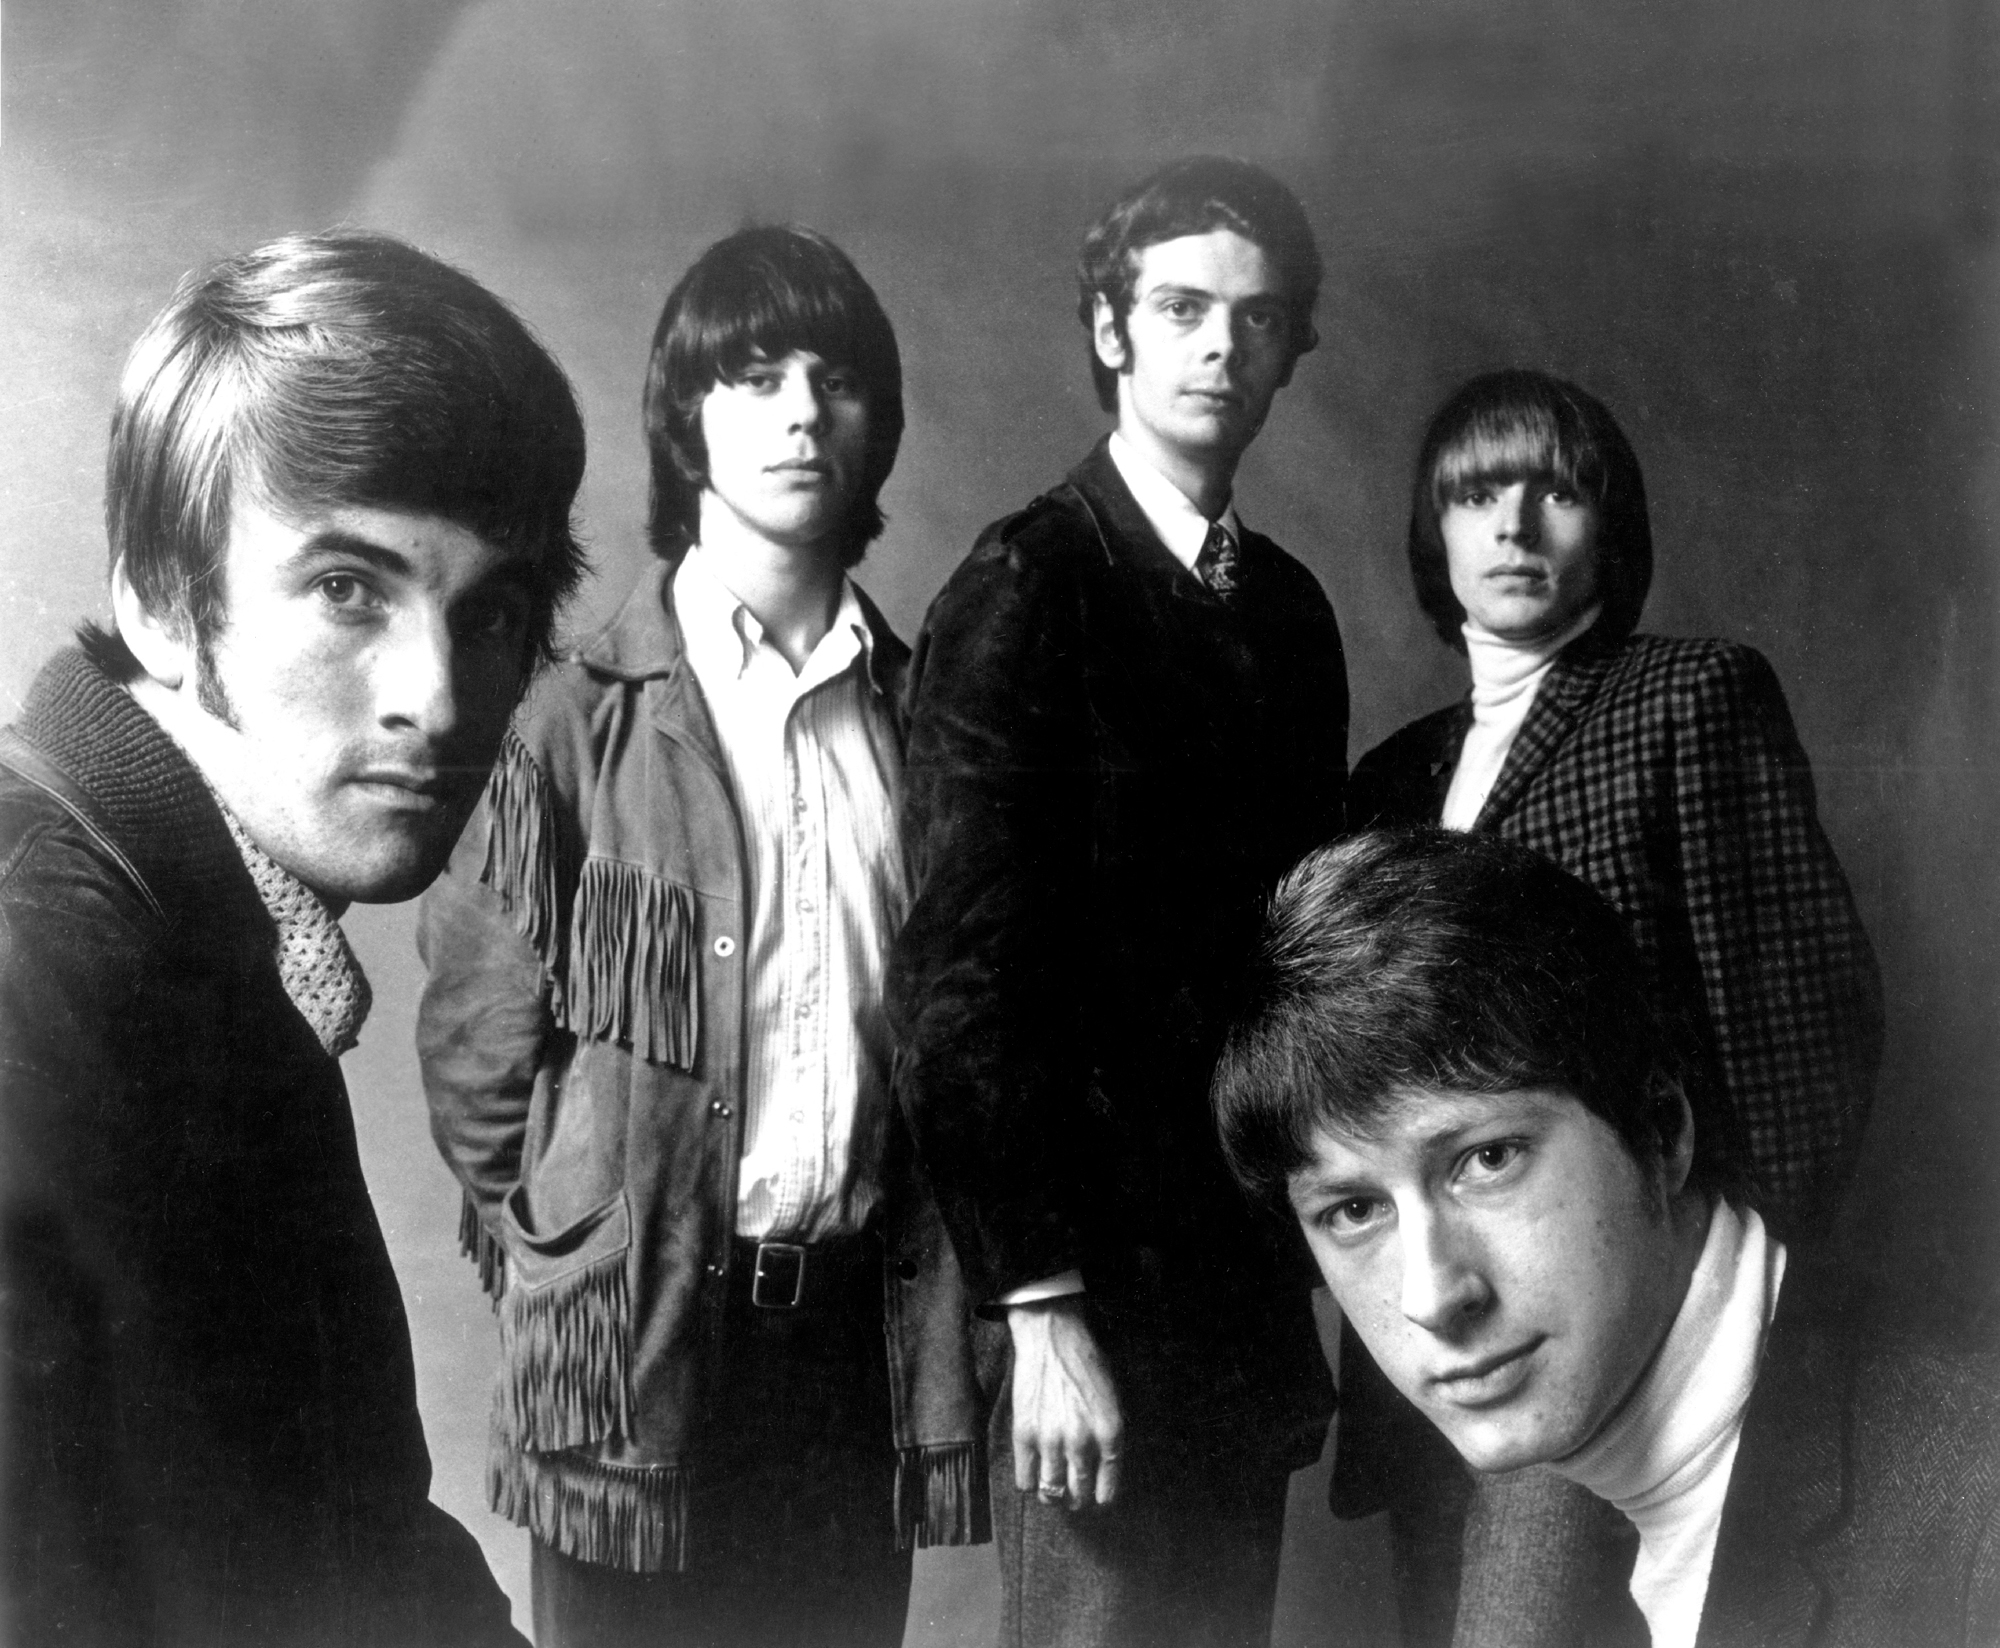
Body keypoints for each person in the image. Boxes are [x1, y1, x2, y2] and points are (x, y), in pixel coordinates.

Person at [0, 229, 589, 1646]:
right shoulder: (45, 971)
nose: (439, 701)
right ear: (158, 595)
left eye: (491, 610)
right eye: (347, 589)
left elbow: (341, 1531)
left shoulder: (205, 921)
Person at [416, 224, 984, 1648]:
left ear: (877, 424)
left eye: (833, 377)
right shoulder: (571, 716)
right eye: (753, 375)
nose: (800, 409)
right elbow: (477, 1058)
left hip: (855, 1346)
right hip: (634, 1343)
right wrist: (571, 1249)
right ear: (686, 420)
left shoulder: (928, 725)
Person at [1341, 369, 1884, 1644]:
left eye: (1556, 491)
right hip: (1437, 1345)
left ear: (1609, 524)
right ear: (1437, 532)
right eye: (1476, 496)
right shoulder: (1386, 778)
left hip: (1633, 1327)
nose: (1514, 527)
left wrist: (1720, 1286)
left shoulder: (1686, 699)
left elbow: (1806, 1016)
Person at [889, 156, 1349, 1648]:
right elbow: (958, 991)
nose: (1221, 345)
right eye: (1181, 308)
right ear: (1112, 334)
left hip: (1243, 1284)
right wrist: (1039, 1308)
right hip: (1089, 1294)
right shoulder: (1031, 582)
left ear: (1288, 352)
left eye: (1258, 319)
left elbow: (1297, 971)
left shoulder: (1286, 611)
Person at [1213, 828, 2000, 1648]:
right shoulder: (1545, 1494)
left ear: (1662, 1133)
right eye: (1353, 1211)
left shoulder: (1979, 1512)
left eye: (1487, 1160)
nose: (1433, 1298)